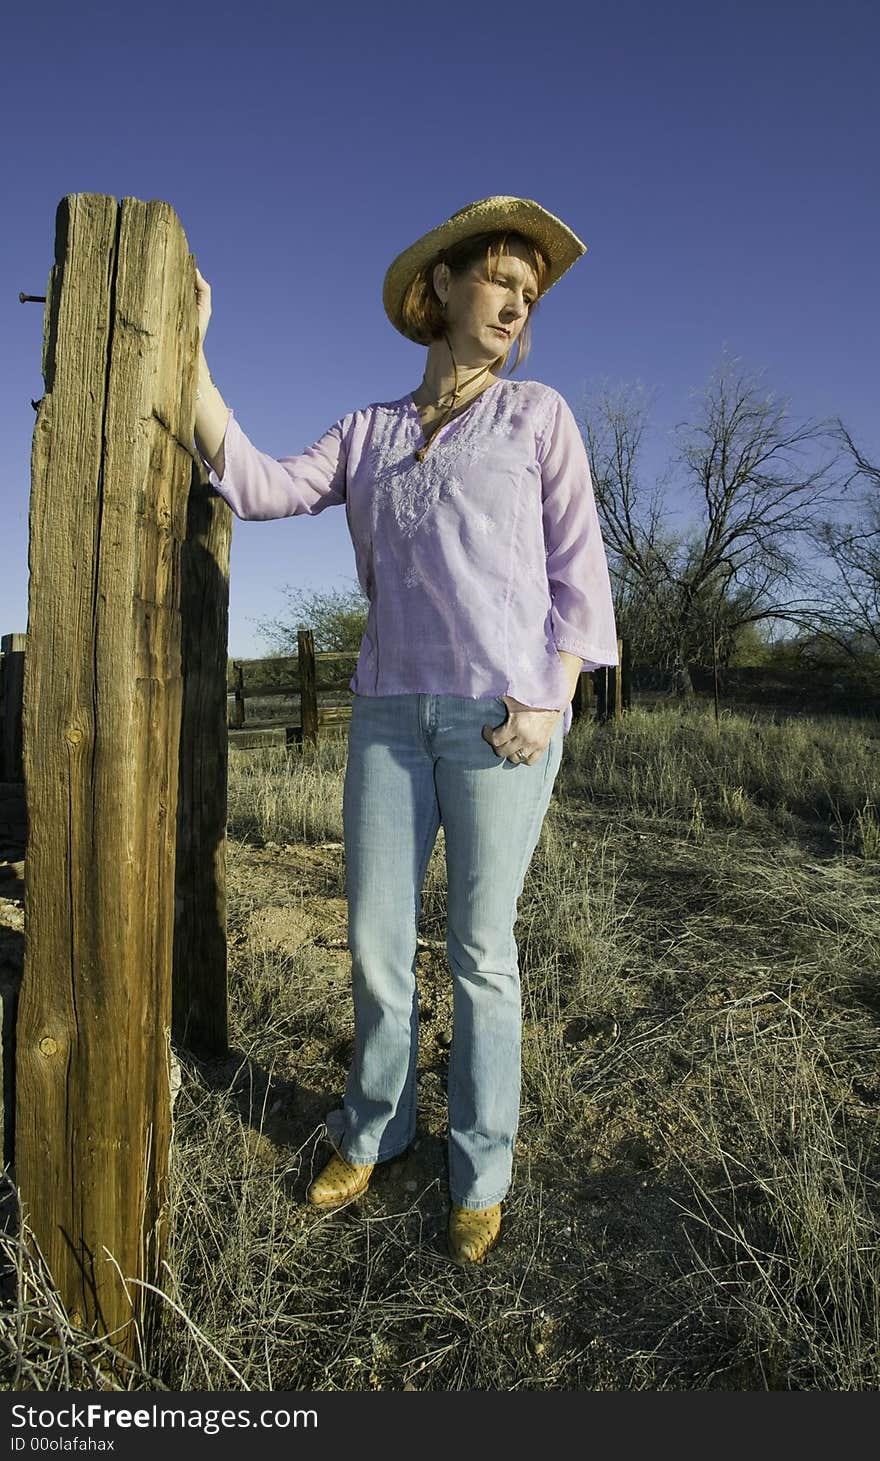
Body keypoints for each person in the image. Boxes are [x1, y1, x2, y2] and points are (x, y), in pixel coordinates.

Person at [193, 196, 619, 1264]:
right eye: (501, 283)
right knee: (380, 945)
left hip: (501, 721)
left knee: (480, 954)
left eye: (529, 295)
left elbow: (580, 571)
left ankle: (481, 1170)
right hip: (386, 715)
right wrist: (191, 359)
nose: (518, 305)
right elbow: (257, 484)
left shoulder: (537, 417)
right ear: (439, 292)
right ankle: (373, 1130)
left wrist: (548, 695)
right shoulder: (370, 432)